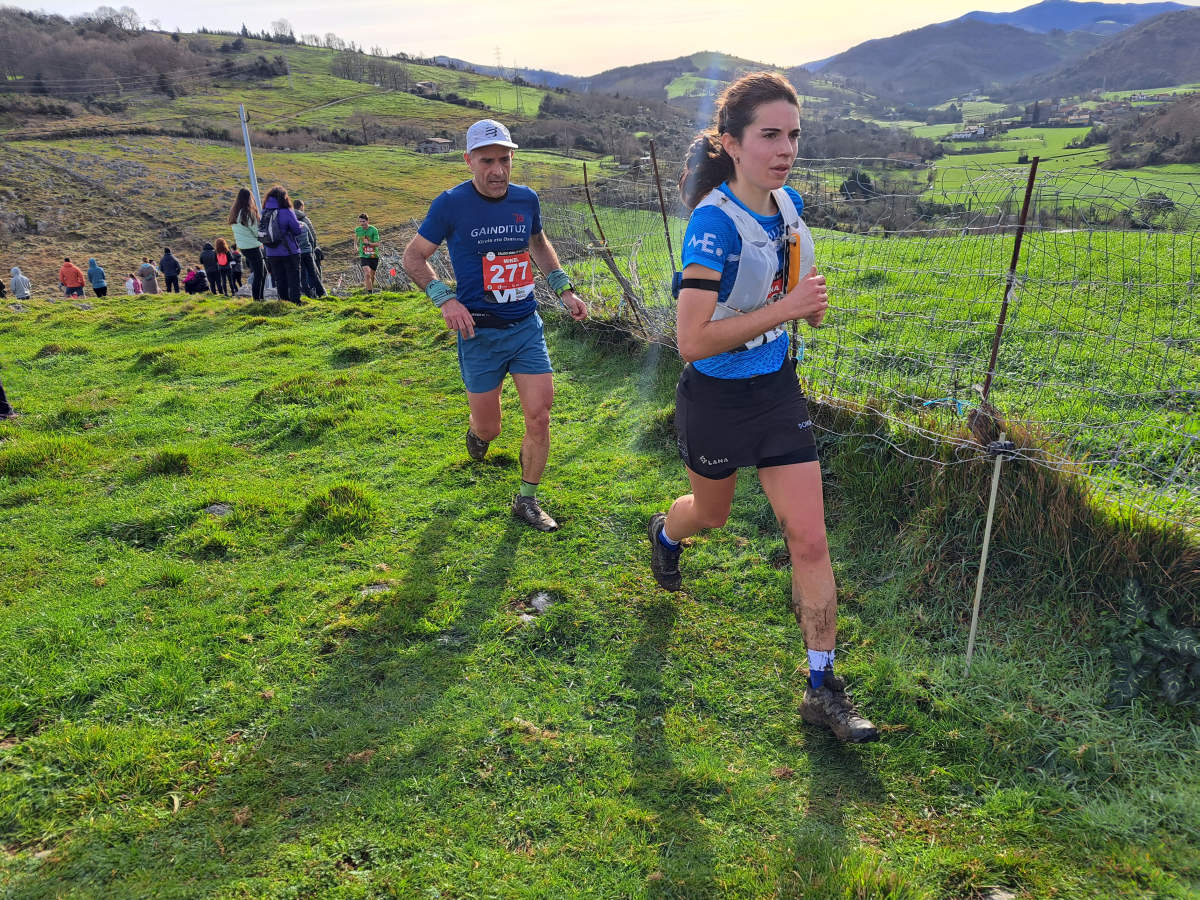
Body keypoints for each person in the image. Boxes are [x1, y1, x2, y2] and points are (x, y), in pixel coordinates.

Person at [646, 73, 878, 743]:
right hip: (715, 397)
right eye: (769, 135)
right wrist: (787, 308)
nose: (784, 149)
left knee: (809, 538)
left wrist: (804, 302)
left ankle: (822, 685)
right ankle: (667, 534)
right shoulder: (712, 224)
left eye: (793, 135)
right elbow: (690, 341)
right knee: (709, 515)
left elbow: (789, 279)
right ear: (731, 142)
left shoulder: (789, 204)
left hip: (776, 391)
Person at [403, 118, 589, 531]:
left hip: (525, 327)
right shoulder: (450, 204)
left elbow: (538, 244)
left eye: (505, 159)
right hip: (478, 334)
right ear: (469, 160)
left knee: (539, 416)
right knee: (491, 425)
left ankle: (526, 499)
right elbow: (413, 257)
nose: (498, 170)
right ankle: (478, 434)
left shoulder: (526, 199)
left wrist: (564, 290)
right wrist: (444, 299)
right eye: (487, 160)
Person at [261, 185, 304, 305]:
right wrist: (299, 226)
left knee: (280, 278)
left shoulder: (264, 212)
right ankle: (295, 302)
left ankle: (284, 302)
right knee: (293, 277)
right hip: (289, 251)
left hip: (271, 252)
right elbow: (296, 231)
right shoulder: (287, 212)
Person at [229, 188, 266, 301]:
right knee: (260, 274)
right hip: (253, 246)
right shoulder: (248, 213)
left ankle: (260, 298)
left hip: (244, 247)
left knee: (261, 272)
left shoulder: (235, 212)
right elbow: (256, 231)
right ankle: (257, 299)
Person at [293, 199, 325, 298]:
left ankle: (307, 293)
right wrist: (312, 248)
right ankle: (320, 292)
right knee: (313, 272)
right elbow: (312, 236)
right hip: (308, 251)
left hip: (297, 252)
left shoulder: (289, 222)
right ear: (301, 207)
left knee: (302, 274)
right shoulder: (305, 221)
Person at [354, 213, 380, 291]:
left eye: (363, 221)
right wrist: (355, 246)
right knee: (367, 274)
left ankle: (370, 290)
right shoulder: (358, 230)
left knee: (372, 275)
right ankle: (369, 294)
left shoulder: (374, 230)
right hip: (363, 255)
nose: (362, 223)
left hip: (373, 255)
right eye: (360, 222)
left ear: (367, 221)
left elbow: (377, 244)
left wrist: (368, 243)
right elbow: (356, 237)